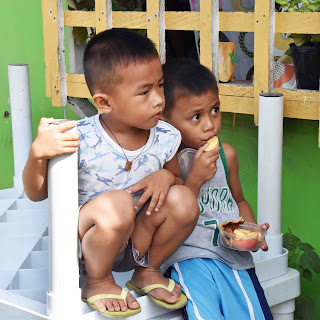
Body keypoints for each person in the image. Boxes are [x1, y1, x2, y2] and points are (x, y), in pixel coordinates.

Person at [22, 29, 199, 318]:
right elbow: (36, 192)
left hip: (137, 241)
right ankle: (97, 281)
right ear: (104, 103)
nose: (158, 100)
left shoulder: (166, 136)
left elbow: (176, 180)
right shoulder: (79, 138)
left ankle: (147, 271)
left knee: (183, 200)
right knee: (117, 204)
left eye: (160, 86)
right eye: (144, 92)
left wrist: (167, 177)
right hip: (91, 243)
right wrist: (38, 153)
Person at [161, 59, 273, 320]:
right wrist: (196, 177)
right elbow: (171, 212)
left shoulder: (227, 155)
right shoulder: (168, 162)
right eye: (196, 117)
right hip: (188, 257)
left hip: (233, 257)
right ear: (165, 119)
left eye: (215, 110)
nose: (210, 124)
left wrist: (252, 231)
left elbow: (239, 199)